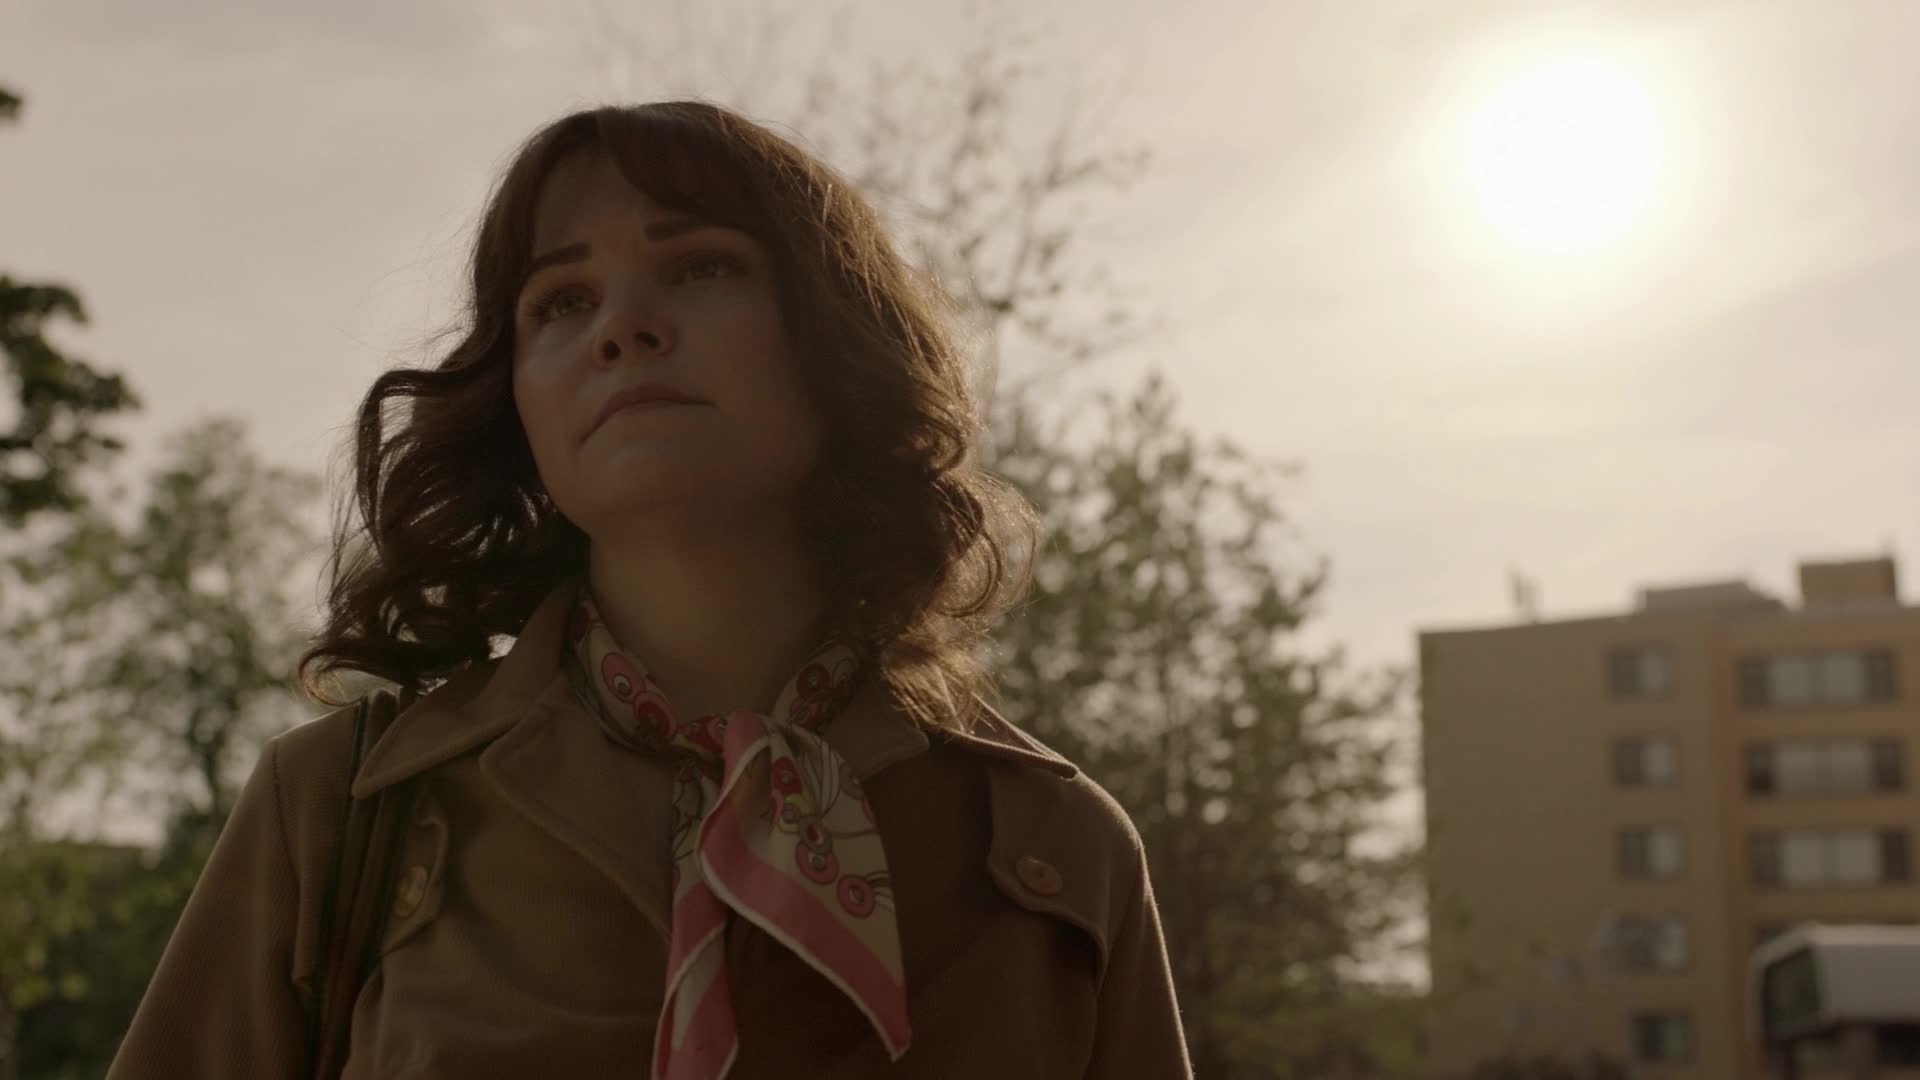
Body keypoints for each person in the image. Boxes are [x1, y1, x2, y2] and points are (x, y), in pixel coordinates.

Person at [106, 100, 1191, 1079]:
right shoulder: (339, 814)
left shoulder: (1057, 851)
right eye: (562, 301)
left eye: (703, 266)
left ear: (837, 344)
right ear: (517, 406)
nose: (622, 326)